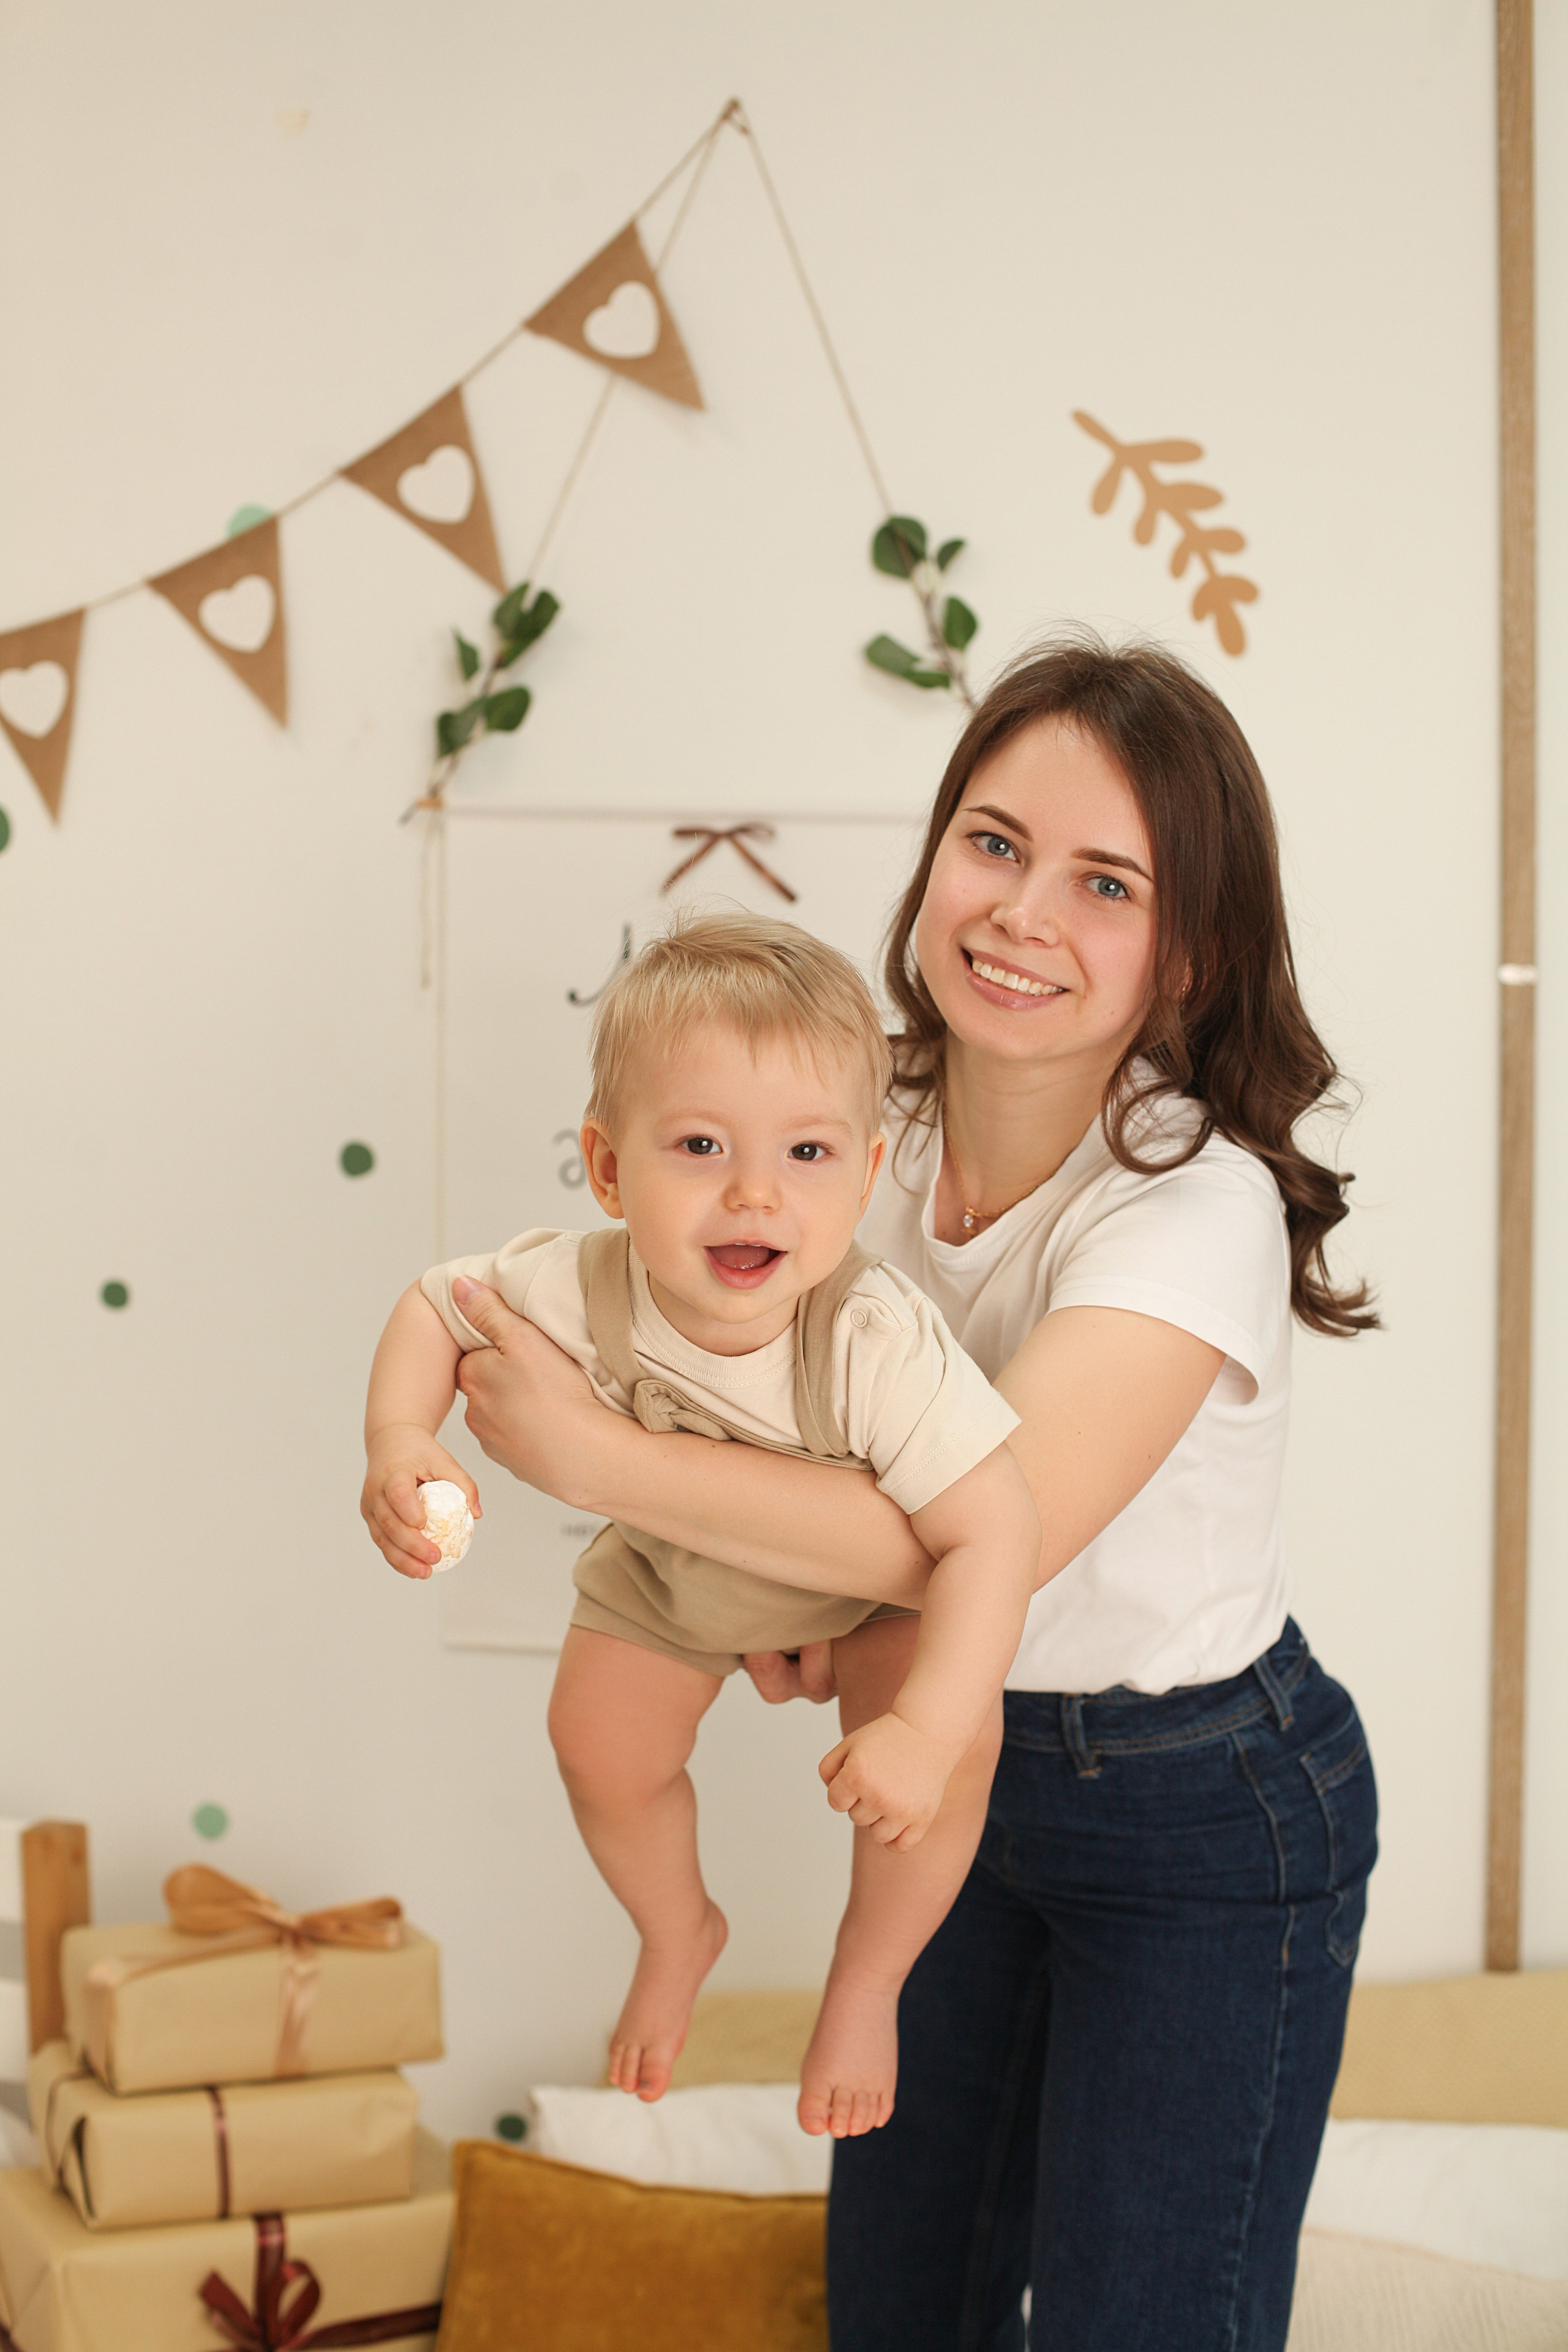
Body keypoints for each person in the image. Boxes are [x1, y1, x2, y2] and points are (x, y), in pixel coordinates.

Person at [445, 638, 1382, 2350]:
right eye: (996, 844)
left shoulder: (1195, 1204)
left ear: (1196, 951)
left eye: (1109, 883)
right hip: (947, 1772)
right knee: (899, 2302)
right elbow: (742, 1393)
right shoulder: (836, 1119)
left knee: (1141, 2320)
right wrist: (789, 1615)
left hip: (1194, 1809)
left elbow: (968, 1530)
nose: (1027, 912)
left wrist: (599, 1466)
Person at [361, 914, 1041, 2137]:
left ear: (867, 1171)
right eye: (697, 1145)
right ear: (610, 1171)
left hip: (864, 1601)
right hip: (671, 1574)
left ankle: (867, 1980)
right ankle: (677, 1928)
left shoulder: (872, 1337)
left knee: (947, 1755)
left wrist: (928, 1733)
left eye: (806, 1152)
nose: (753, 1191)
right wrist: (402, 1444)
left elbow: (995, 1533)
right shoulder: (578, 1281)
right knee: (595, 1743)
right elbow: (431, 1307)